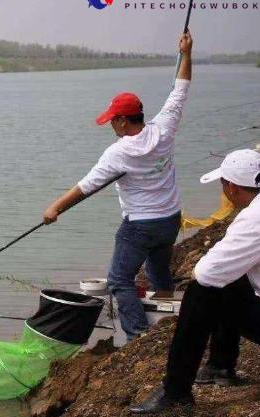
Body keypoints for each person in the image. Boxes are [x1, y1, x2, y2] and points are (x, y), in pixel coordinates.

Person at [43, 31, 193, 340]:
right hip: (169, 220)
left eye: (113, 120)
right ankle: (167, 317)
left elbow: (86, 187)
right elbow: (181, 89)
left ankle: (139, 336)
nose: (111, 125)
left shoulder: (118, 153)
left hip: (139, 226)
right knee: (158, 272)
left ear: (124, 121)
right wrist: (187, 54)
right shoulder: (164, 128)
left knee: (119, 280)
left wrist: (55, 208)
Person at [130, 149, 260, 413]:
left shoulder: (256, 218)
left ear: (231, 188)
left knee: (204, 291)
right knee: (231, 278)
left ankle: (176, 390)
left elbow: (206, 273)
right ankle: (220, 365)